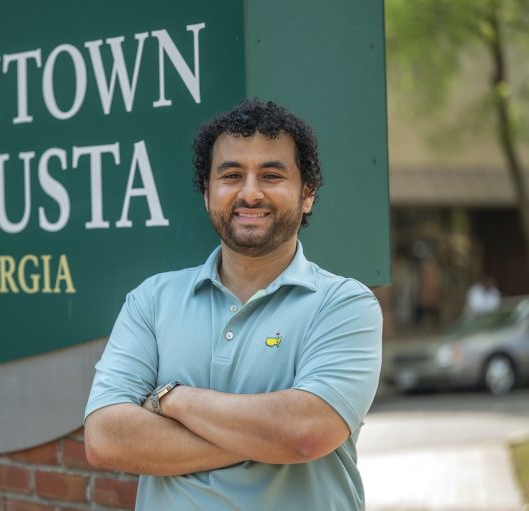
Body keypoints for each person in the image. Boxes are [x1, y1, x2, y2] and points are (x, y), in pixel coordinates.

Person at [84, 99, 383, 510]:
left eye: (272, 175)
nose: (250, 192)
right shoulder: (151, 300)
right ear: (208, 193)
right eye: (231, 175)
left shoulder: (344, 305)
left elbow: (305, 432)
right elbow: (105, 439)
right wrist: (266, 436)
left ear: (307, 194)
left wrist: (172, 399)